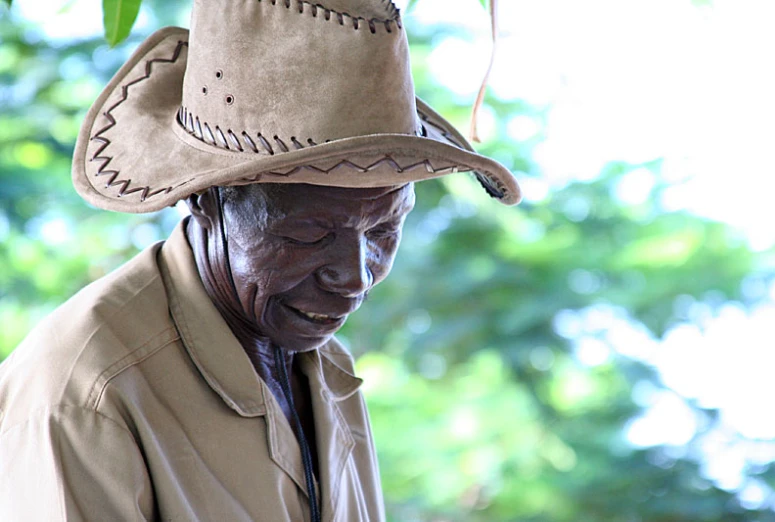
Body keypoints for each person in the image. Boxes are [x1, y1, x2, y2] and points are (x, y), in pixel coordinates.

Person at [0, 0, 520, 520]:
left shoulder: (324, 364)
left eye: (385, 227)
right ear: (206, 198)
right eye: (312, 233)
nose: (356, 275)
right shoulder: (85, 398)